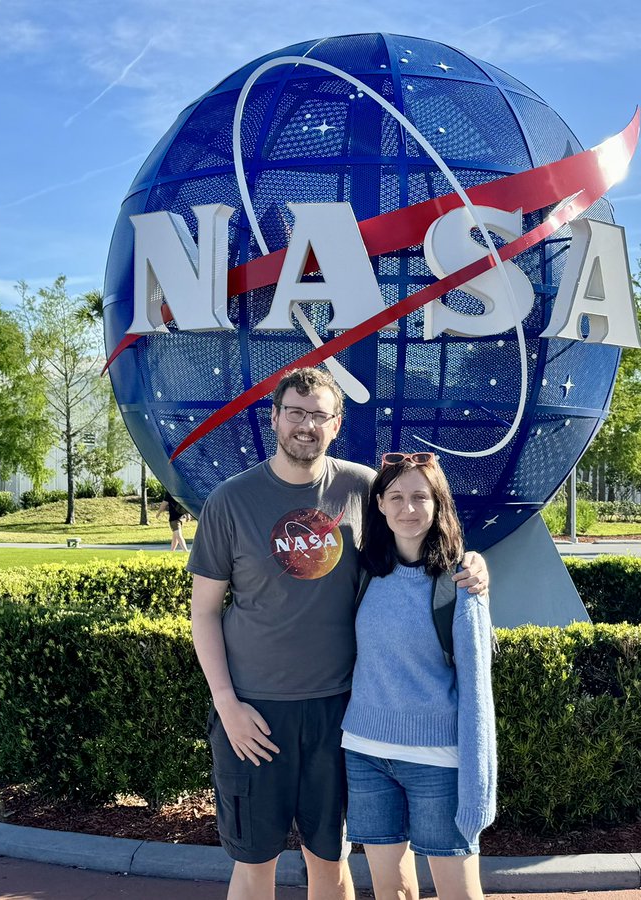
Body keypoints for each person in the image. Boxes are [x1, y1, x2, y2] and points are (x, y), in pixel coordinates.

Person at [187, 367, 488, 900]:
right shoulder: (230, 501)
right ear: (274, 417)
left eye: (319, 415)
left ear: (336, 423)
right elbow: (205, 611)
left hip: (339, 713)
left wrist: (472, 564)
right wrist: (226, 703)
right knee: (254, 865)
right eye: (295, 413)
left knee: (329, 862)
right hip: (254, 712)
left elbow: (414, 542)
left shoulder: (361, 488)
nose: (306, 425)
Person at [343, 451, 496, 900]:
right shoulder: (361, 572)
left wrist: (477, 783)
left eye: (419, 497)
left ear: (438, 504)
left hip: (437, 761)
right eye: (396, 497)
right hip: (365, 752)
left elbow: (477, 693)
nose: (408, 508)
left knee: (460, 894)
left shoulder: (461, 583)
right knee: (391, 892)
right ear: (380, 506)